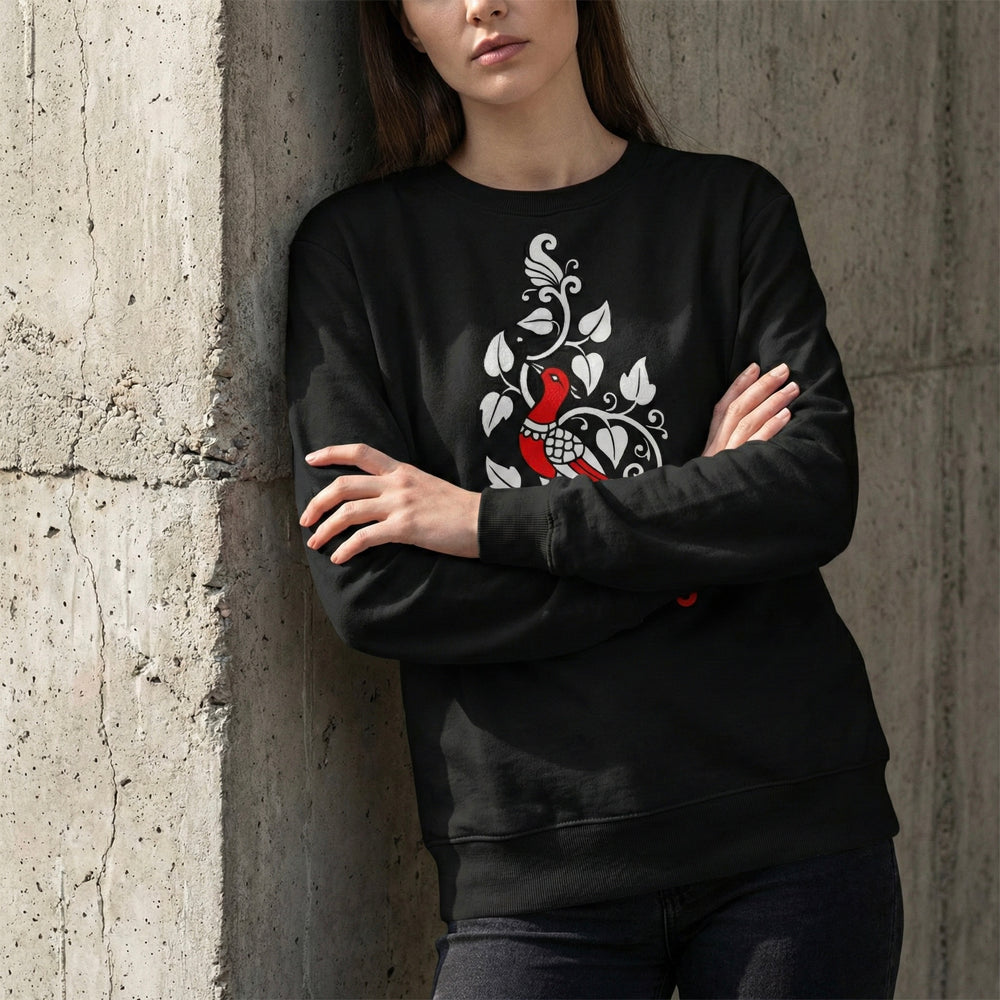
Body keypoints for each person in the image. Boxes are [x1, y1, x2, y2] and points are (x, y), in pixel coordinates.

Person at [285, 1, 903, 996]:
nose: (482, 3)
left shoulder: (729, 212)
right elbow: (379, 593)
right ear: (403, 25)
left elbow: (809, 495)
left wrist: (479, 522)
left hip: (789, 835)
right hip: (532, 863)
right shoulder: (357, 253)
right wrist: (693, 532)